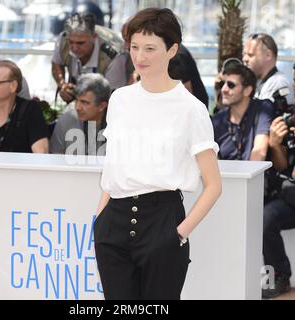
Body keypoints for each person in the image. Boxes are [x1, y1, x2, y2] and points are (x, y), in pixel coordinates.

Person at [94, 8, 222, 300]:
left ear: (172, 49)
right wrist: (100, 221)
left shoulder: (191, 109)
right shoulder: (119, 99)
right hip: (113, 222)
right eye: (135, 47)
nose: (140, 57)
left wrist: (178, 234)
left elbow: (214, 185)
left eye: (150, 48)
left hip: (162, 221)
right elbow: (112, 165)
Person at [262, 58, 295, 299]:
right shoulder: (291, 115)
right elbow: (282, 165)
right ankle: (279, 278)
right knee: (264, 219)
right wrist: (275, 143)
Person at [51, 12, 127, 103]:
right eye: (71, 42)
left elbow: (114, 97)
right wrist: (62, 84)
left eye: (80, 43)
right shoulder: (63, 40)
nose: (74, 48)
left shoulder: (114, 56)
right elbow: (56, 64)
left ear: (94, 37)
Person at [212, 63, 275, 160]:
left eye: (230, 85)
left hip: (254, 173)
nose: (224, 90)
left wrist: (248, 175)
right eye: (222, 84)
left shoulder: (263, 109)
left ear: (247, 90)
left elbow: (260, 151)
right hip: (225, 174)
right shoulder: (217, 120)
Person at [50, 73, 110, 155]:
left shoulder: (118, 125)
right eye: (76, 100)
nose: (77, 107)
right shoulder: (66, 121)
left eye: (84, 102)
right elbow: (54, 159)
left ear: (101, 106)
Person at [243, 33, 294, 105]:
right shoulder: (257, 81)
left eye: (251, 55)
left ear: (268, 55)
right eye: (244, 54)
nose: (245, 59)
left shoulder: (278, 83)